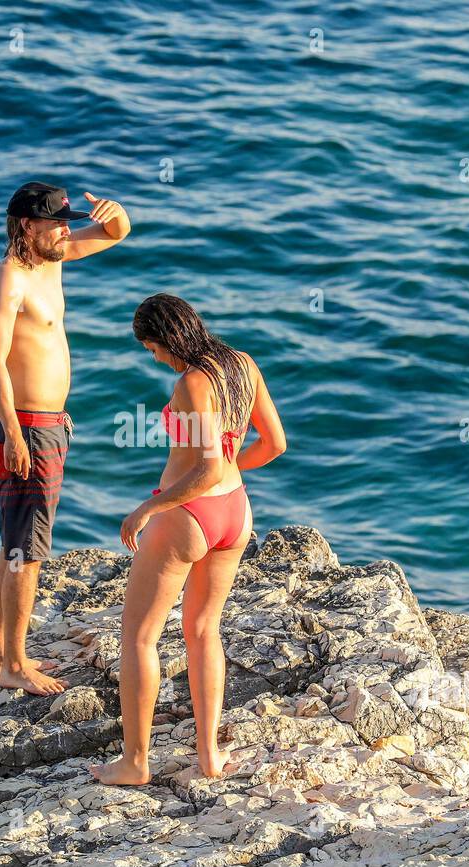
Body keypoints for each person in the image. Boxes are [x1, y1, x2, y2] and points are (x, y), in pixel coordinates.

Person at [90, 293, 286, 785]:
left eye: (152, 348)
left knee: (139, 637)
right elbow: (274, 443)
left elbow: (204, 467)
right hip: (235, 512)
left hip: (188, 517)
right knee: (203, 631)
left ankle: (135, 762)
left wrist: (148, 507)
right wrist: (224, 482)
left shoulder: (193, 382)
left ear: (166, 339)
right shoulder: (242, 364)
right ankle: (209, 757)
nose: (154, 357)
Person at [0, 181, 131, 695]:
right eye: (57, 221)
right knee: (27, 550)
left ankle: (0, 656)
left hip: (49, 425)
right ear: (27, 225)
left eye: (69, 220)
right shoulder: (7, 280)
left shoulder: (53, 260)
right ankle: (17, 665)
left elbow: (115, 233)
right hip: (27, 427)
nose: (67, 229)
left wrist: (113, 212)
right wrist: (17, 436)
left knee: (13, 545)